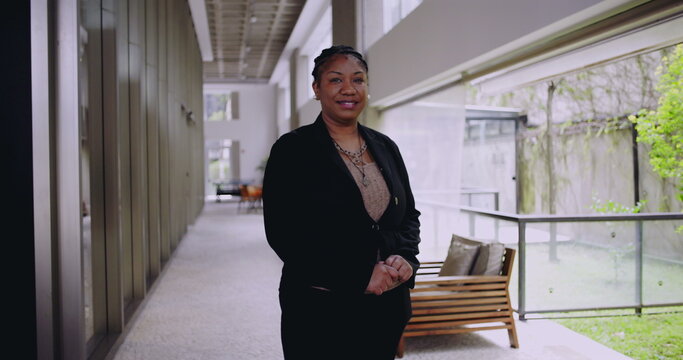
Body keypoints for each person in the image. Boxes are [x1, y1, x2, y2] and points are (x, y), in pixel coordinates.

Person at [262, 45, 421, 360]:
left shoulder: (386, 147)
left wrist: (405, 258)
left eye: (358, 80)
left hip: (385, 309)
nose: (349, 89)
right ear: (317, 89)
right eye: (336, 80)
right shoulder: (293, 150)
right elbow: (285, 235)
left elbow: (408, 216)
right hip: (320, 308)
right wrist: (361, 275)